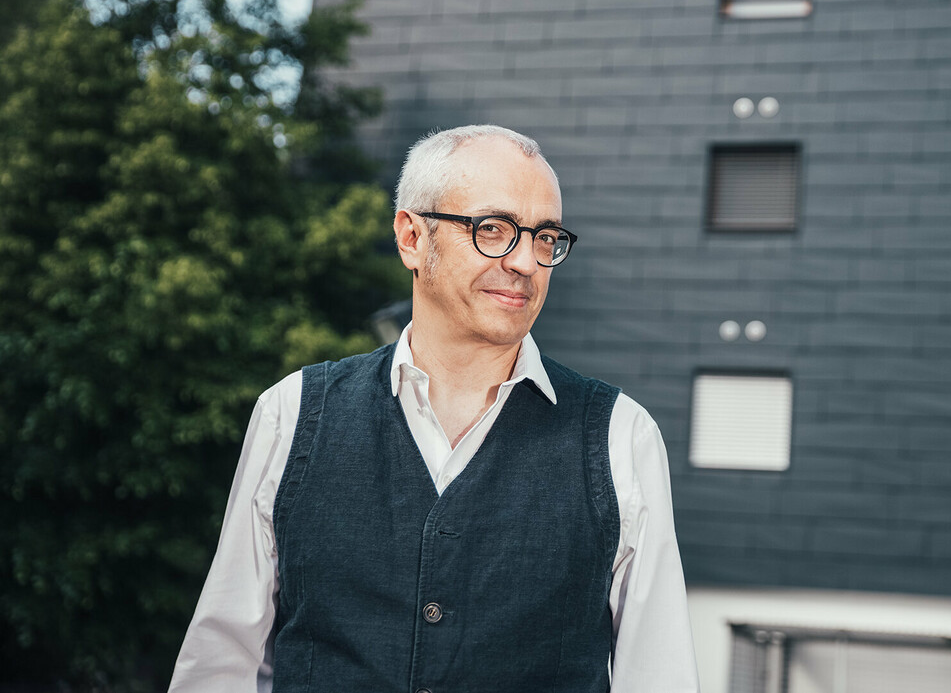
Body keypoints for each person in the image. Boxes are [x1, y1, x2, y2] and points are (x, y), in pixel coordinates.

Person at [168, 125, 700, 692]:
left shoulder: (622, 436)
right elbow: (222, 665)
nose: (526, 261)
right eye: (493, 229)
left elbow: (659, 676)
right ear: (412, 238)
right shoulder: (292, 411)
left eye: (545, 237)